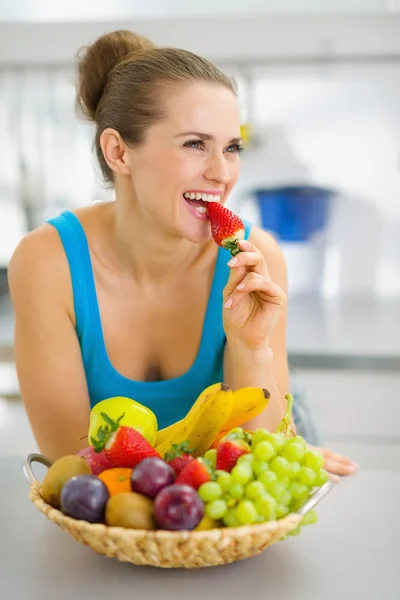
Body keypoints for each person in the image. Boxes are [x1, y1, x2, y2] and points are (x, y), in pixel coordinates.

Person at [8, 30, 358, 478]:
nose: (222, 173)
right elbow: (78, 469)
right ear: (118, 152)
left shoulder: (256, 257)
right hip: (174, 499)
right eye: (195, 144)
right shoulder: (47, 262)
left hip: (245, 468)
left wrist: (250, 347)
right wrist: (213, 464)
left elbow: (262, 457)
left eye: (231, 148)